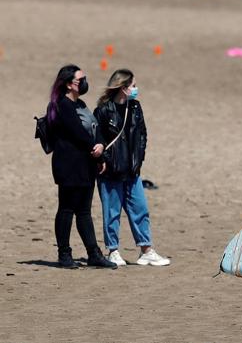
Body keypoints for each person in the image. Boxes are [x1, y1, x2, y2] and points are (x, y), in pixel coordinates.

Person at [93, 69, 170, 267]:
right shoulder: (103, 110)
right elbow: (97, 139)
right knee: (112, 213)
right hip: (110, 172)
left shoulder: (135, 107)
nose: (136, 89)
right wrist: (107, 160)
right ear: (123, 88)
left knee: (140, 209)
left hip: (132, 170)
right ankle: (113, 251)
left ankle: (146, 250)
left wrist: (139, 159)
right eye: (133, 85)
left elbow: (142, 134)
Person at [46, 64, 117, 269]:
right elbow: (77, 132)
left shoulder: (81, 104)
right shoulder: (61, 105)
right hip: (69, 165)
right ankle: (64, 254)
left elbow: (94, 128)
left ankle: (93, 253)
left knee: (84, 211)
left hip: (86, 165)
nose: (85, 82)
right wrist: (94, 149)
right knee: (67, 209)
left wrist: (101, 146)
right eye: (80, 79)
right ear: (69, 84)